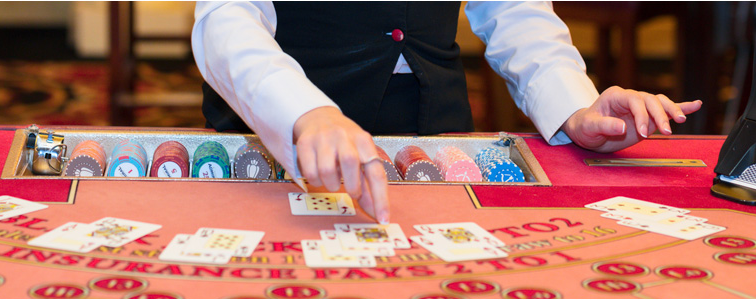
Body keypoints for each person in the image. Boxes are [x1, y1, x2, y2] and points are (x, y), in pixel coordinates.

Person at [191, 2, 702, 224]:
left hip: (434, 131)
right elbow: (226, 18)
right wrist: (305, 112)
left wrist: (574, 106)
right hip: (281, 135)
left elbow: (513, 9)